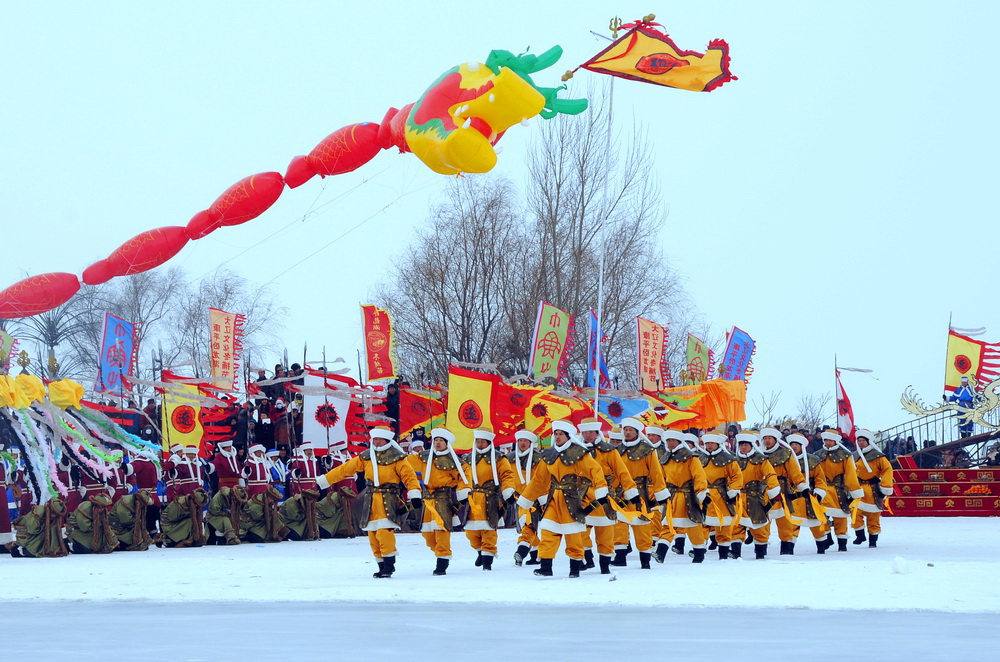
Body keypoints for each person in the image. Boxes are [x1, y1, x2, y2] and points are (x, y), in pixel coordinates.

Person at [317, 426, 421, 578]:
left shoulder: (397, 457)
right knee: (372, 534)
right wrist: (326, 479)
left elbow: (409, 476)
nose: (377, 442)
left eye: (380, 439)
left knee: (384, 532)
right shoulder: (366, 457)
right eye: (375, 439)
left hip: (388, 499)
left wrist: (415, 493)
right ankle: (381, 565)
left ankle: (389, 565)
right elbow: (346, 469)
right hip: (371, 499)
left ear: (387, 440)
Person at [516, 420, 608, 578]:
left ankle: (575, 567)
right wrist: (526, 498)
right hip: (553, 499)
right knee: (548, 532)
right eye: (556, 434)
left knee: (573, 535)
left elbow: (595, 470)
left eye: (561, 434)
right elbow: (539, 480)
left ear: (568, 436)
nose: (557, 437)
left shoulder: (579, 453)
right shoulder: (549, 455)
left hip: (571, 499)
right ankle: (546, 566)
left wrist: (600, 489)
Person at [579, 417, 638, 574]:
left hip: (604, 494)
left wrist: (630, 490)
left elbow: (622, 471)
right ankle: (587, 558)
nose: (588, 435)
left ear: (597, 432)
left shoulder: (608, 450)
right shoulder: (576, 450)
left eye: (591, 432)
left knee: (605, 530)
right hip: (583, 494)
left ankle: (604, 564)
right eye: (585, 432)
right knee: (579, 529)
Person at [613, 418, 668, 569]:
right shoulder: (617, 450)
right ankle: (620, 556)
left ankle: (645, 559)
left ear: (637, 432)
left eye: (631, 429)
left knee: (642, 525)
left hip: (640, 493)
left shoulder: (647, 449)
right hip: (621, 494)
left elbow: (656, 472)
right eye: (625, 429)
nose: (627, 432)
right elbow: (613, 472)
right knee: (619, 525)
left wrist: (660, 493)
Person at [461, 427, 515, 571]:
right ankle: (480, 551)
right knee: (471, 532)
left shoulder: (499, 458)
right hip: (472, 499)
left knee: (488, 530)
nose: (479, 444)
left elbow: (507, 475)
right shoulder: (467, 459)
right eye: (477, 441)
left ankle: (487, 561)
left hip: (490, 498)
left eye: (482, 441)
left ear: (488, 442)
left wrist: (508, 492)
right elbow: (461, 477)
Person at [417, 427, 468, 576]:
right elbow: (405, 465)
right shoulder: (424, 457)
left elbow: (466, 475)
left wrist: (463, 491)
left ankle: (442, 560)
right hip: (428, 500)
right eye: (436, 440)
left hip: (443, 499)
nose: (438, 443)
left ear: (447, 443)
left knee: (441, 531)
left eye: (441, 440)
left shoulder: (455, 461)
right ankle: (440, 552)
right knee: (427, 534)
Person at [658, 429, 708, 564]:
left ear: (679, 441)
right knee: (668, 524)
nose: (670, 443)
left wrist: (702, 492)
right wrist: (660, 493)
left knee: (693, 525)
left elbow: (699, 476)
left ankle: (698, 552)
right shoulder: (665, 458)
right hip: (672, 496)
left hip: (688, 496)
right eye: (668, 440)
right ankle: (660, 553)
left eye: (673, 440)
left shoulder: (691, 457)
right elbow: (661, 478)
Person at [732, 432, 780, 560]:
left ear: (751, 445)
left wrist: (774, 489)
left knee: (760, 526)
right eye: (741, 444)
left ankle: (760, 553)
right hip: (738, 497)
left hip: (756, 497)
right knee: (736, 525)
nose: (743, 447)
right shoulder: (734, 461)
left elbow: (770, 475)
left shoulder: (761, 460)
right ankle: (735, 554)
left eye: (746, 444)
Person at [786, 433, 834, 554]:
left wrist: (818, 493)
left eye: (797, 444)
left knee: (816, 523)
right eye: (792, 444)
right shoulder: (786, 459)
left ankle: (821, 548)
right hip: (793, 496)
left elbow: (820, 479)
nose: (794, 447)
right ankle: (788, 549)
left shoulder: (812, 460)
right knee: (792, 523)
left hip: (811, 495)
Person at [817, 429, 864, 552]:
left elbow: (850, 474)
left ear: (836, 441)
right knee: (821, 515)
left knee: (840, 517)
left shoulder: (845, 455)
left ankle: (842, 543)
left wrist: (854, 491)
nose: (828, 442)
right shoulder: (818, 455)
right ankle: (827, 538)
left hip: (838, 491)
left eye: (830, 440)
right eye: (826, 440)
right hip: (822, 490)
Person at [700, 430, 744, 560]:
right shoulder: (700, 458)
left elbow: (737, 476)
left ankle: (723, 554)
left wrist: (734, 489)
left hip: (722, 495)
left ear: (718, 443)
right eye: (707, 442)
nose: (709, 445)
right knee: (702, 523)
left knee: (723, 524)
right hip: (705, 495)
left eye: (712, 443)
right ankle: (699, 549)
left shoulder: (728, 459)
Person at [851, 429, 894, 548]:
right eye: (859, 440)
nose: (861, 443)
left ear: (868, 441)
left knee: (873, 516)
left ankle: (873, 540)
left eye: (863, 440)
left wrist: (885, 485)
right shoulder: (854, 456)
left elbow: (887, 469)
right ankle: (860, 534)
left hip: (873, 489)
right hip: (858, 488)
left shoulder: (878, 456)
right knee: (855, 511)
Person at [509, 429, 544, 567]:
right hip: (519, 498)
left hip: (534, 498)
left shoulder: (539, 459)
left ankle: (521, 551)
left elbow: (542, 479)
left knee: (528, 525)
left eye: (525, 441)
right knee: (527, 525)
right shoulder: (511, 458)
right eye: (520, 440)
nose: (522, 443)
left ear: (530, 443)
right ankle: (536, 554)